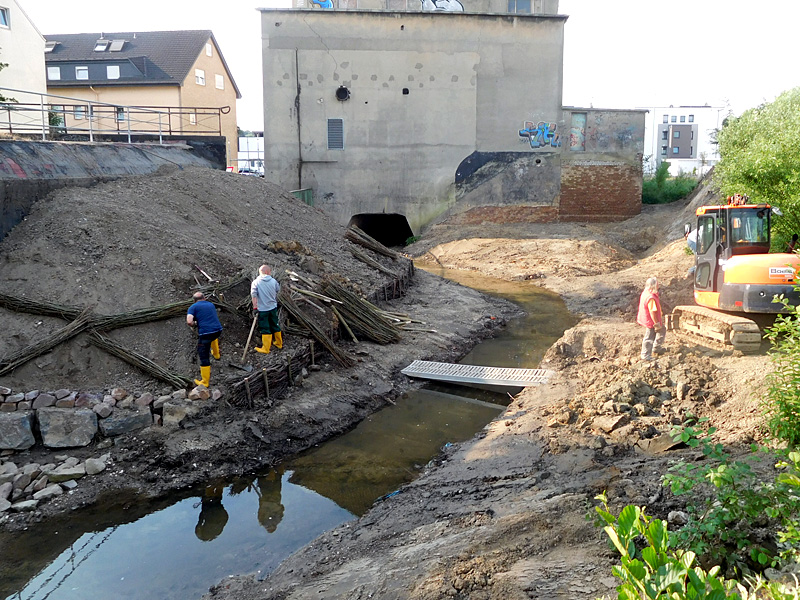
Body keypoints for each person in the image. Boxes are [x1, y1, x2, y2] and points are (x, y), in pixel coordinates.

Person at [186, 291, 222, 388]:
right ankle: (217, 354)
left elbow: (189, 321)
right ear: (204, 298)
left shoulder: (193, 307)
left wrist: (195, 324)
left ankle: (205, 382)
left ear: (194, 300)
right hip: (218, 330)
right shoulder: (210, 304)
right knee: (213, 338)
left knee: (203, 355)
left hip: (205, 333)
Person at [251, 265, 283, 354]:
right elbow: (277, 290)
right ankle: (279, 343)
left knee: (265, 327)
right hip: (273, 307)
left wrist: (255, 307)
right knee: (275, 324)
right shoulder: (274, 281)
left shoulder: (256, 282)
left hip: (262, 309)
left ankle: (266, 348)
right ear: (268, 272)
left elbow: (254, 296)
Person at [637, 277, 665, 361]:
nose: (658, 286)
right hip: (651, 321)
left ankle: (656, 347)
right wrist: (656, 323)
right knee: (649, 337)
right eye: (657, 284)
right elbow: (652, 312)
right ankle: (645, 355)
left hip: (647, 318)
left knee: (662, 330)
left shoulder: (645, 293)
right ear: (653, 286)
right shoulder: (651, 298)